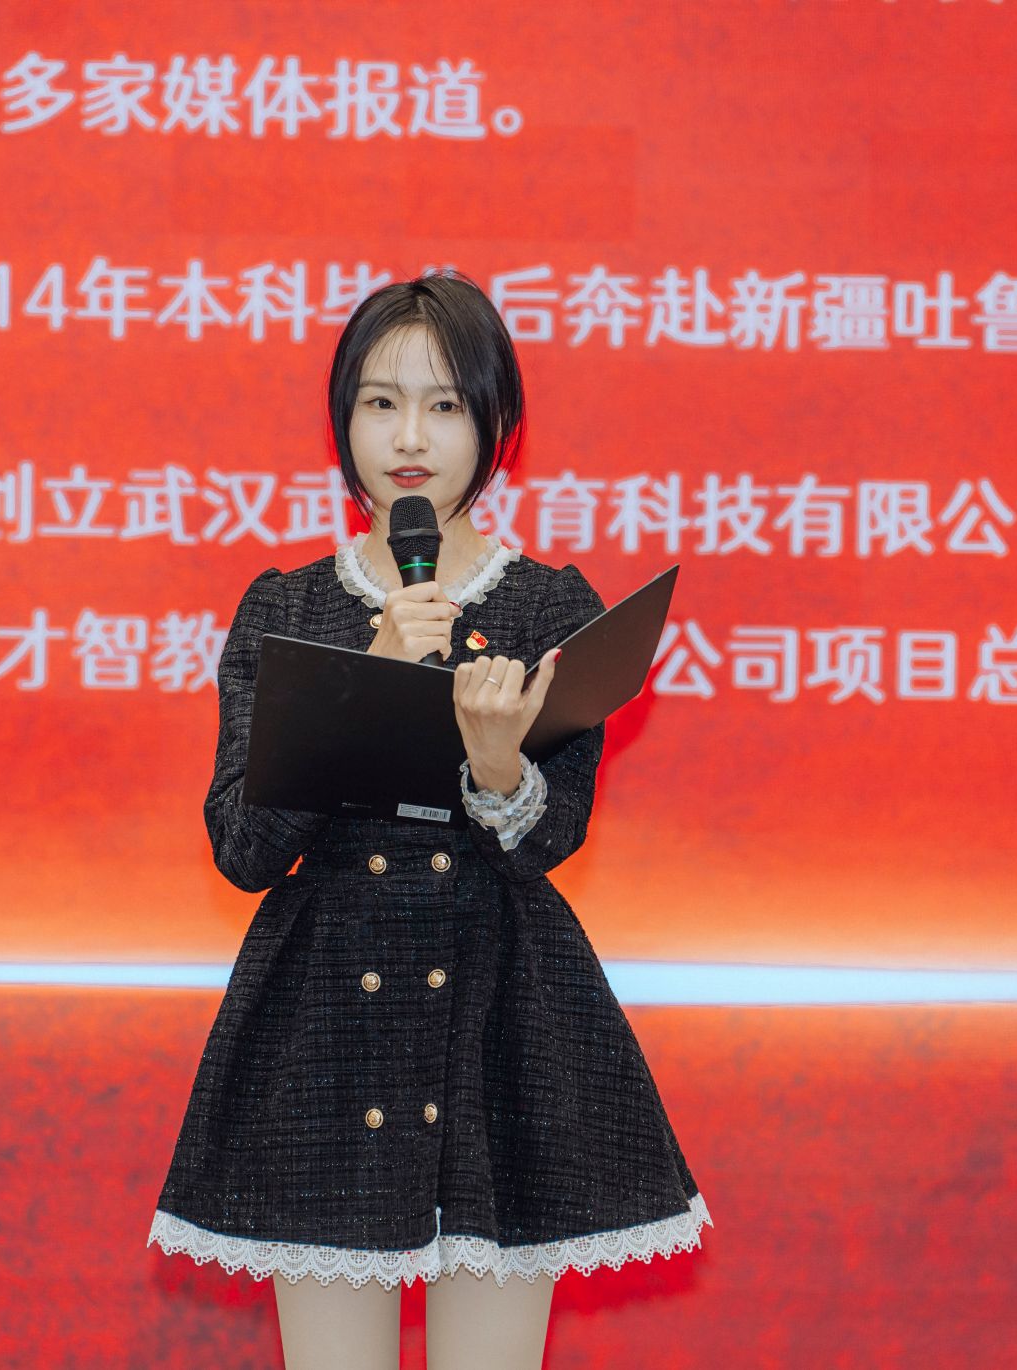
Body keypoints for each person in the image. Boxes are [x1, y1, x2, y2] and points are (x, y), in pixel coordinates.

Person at [146, 272, 711, 1370]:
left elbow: (553, 839)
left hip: (500, 1017)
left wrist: (498, 764)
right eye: (381, 402)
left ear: (496, 425)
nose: (410, 437)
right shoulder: (286, 606)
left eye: (445, 405)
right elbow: (243, 848)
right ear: (343, 421)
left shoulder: (549, 605)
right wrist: (366, 678)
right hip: (325, 1017)